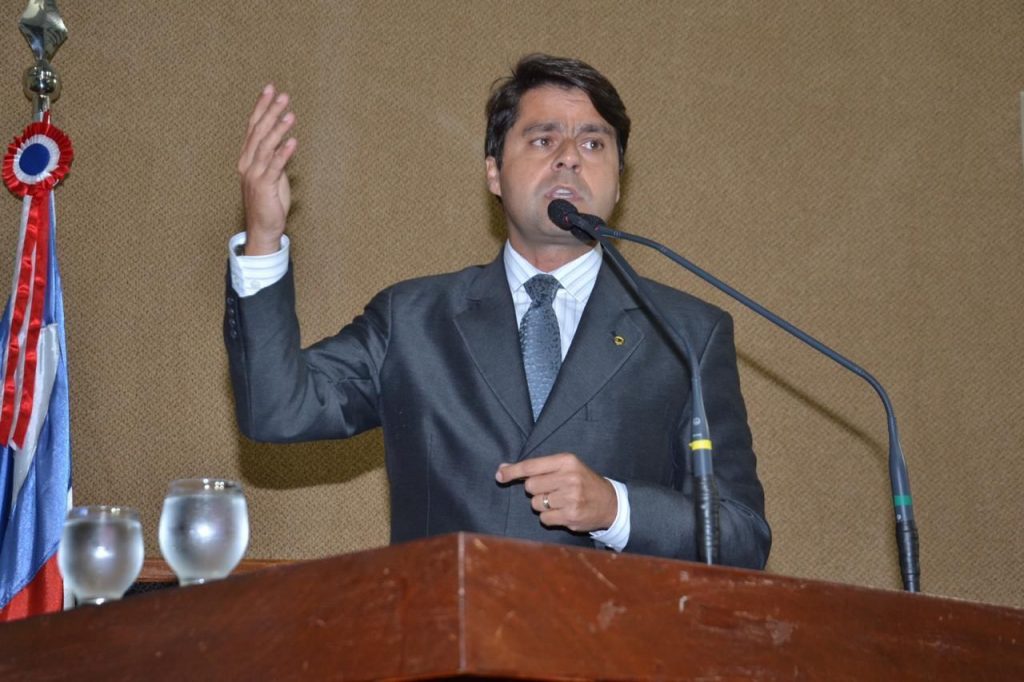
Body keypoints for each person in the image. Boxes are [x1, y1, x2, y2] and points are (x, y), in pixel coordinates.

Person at [224, 54, 771, 568]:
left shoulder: (684, 334)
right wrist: (264, 238)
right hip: (443, 628)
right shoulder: (412, 320)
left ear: (619, 180)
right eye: (543, 139)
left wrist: (616, 509)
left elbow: (742, 535)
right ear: (494, 172)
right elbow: (278, 410)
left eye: (593, 143)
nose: (570, 157)